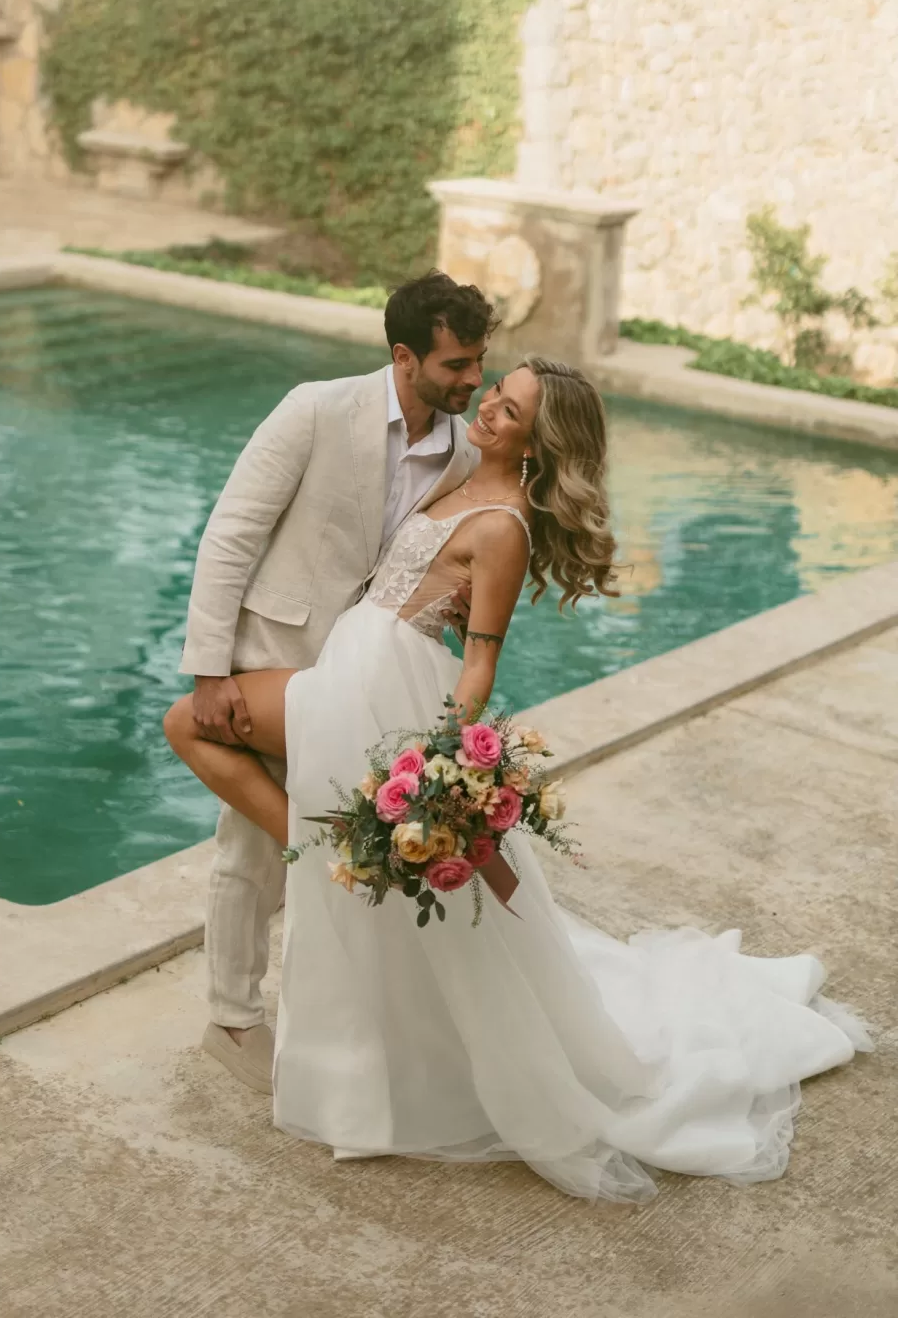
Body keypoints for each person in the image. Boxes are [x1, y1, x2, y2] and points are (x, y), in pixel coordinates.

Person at [168, 354, 870, 1201]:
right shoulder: (458, 465)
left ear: (539, 442)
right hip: (353, 666)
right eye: (495, 393)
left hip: (379, 691)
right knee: (339, 861)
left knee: (186, 723)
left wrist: (440, 758)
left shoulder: (503, 524)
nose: (490, 407)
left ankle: (315, 855)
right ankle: (314, 846)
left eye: (511, 409)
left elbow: (479, 663)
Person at [164, 270, 495, 1094]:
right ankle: (232, 1019)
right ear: (404, 355)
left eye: (478, 362)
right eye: (457, 364)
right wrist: (211, 669)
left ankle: (326, 1020)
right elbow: (230, 535)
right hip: (268, 658)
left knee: (342, 844)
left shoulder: (460, 450)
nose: (471, 381)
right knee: (252, 849)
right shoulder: (314, 408)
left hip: (362, 677)